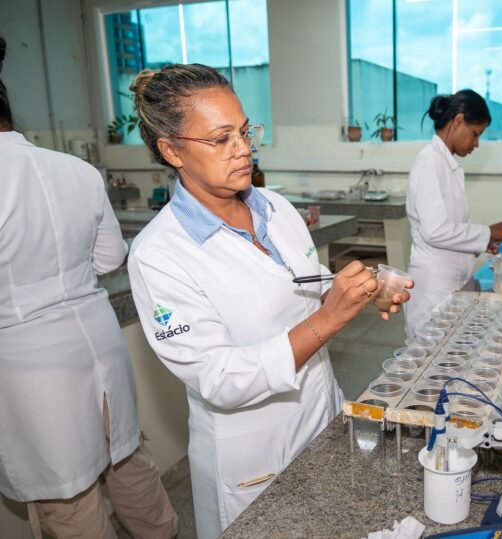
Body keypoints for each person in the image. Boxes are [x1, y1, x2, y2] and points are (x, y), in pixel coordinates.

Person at [126, 63, 412, 539]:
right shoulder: (159, 254)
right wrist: (330, 318)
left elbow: (305, 290)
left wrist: (354, 293)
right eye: (220, 139)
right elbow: (220, 378)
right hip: (255, 451)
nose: (243, 149)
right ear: (172, 150)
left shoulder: (274, 207)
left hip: (320, 413)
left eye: (244, 131)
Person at [0, 36, 176, 539]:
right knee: (127, 458)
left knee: (68, 496)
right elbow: (109, 258)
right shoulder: (76, 170)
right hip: (99, 343)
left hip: (29, 366)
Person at [405, 89, 502, 335]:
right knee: (429, 353)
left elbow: (450, 226)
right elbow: (435, 231)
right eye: (476, 134)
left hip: (450, 282)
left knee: (448, 351)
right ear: (459, 120)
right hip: (434, 289)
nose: (476, 143)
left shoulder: (445, 163)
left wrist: (483, 242)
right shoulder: (429, 162)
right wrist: (486, 233)